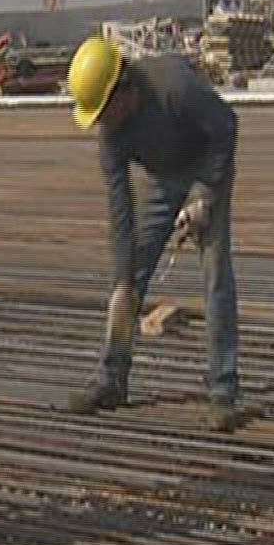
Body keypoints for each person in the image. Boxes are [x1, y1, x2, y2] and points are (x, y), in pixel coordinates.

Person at [62, 36, 242, 433]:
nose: (103, 123)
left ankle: (223, 390)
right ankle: (112, 378)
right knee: (130, 277)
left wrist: (203, 194)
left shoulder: (174, 86)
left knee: (215, 276)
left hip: (207, 166)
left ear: (123, 89)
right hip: (163, 177)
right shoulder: (111, 133)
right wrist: (123, 279)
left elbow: (227, 127)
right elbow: (120, 210)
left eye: (105, 112)